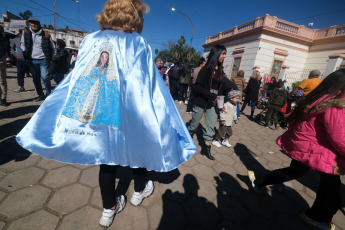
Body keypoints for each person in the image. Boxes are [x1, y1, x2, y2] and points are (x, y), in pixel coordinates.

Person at [16, 0, 196, 228]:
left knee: (107, 159)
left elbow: (77, 76)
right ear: (135, 17)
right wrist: (161, 115)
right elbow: (149, 83)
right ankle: (139, 192)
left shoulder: (91, 39)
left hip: (99, 111)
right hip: (131, 109)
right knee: (137, 150)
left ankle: (108, 209)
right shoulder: (138, 42)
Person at [248, 69, 345, 230]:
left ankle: (262, 180)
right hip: (322, 152)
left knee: (295, 171)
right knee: (332, 193)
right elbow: (339, 137)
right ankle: (317, 217)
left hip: (308, 147)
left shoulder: (317, 98)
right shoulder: (335, 105)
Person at [187, 44, 227, 160]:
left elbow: (222, 86)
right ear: (217, 54)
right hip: (201, 100)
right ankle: (187, 143)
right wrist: (211, 95)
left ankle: (206, 148)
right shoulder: (206, 69)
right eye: (223, 54)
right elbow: (197, 87)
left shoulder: (220, 70)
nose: (224, 56)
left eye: (225, 54)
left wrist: (222, 99)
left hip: (213, 102)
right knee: (194, 124)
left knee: (210, 124)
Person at [21, 18, 56, 101]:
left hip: (43, 60)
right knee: (35, 79)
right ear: (29, 24)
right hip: (32, 60)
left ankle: (48, 94)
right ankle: (40, 95)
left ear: (39, 24)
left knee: (45, 77)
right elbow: (22, 44)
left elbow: (52, 47)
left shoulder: (46, 34)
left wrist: (52, 57)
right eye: (32, 23)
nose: (34, 24)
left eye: (36, 23)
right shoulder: (26, 32)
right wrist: (24, 51)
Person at [0, 25, 10, 106]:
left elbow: (5, 48)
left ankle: (3, 98)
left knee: (2, 80)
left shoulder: (3, 38)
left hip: (1, 62)